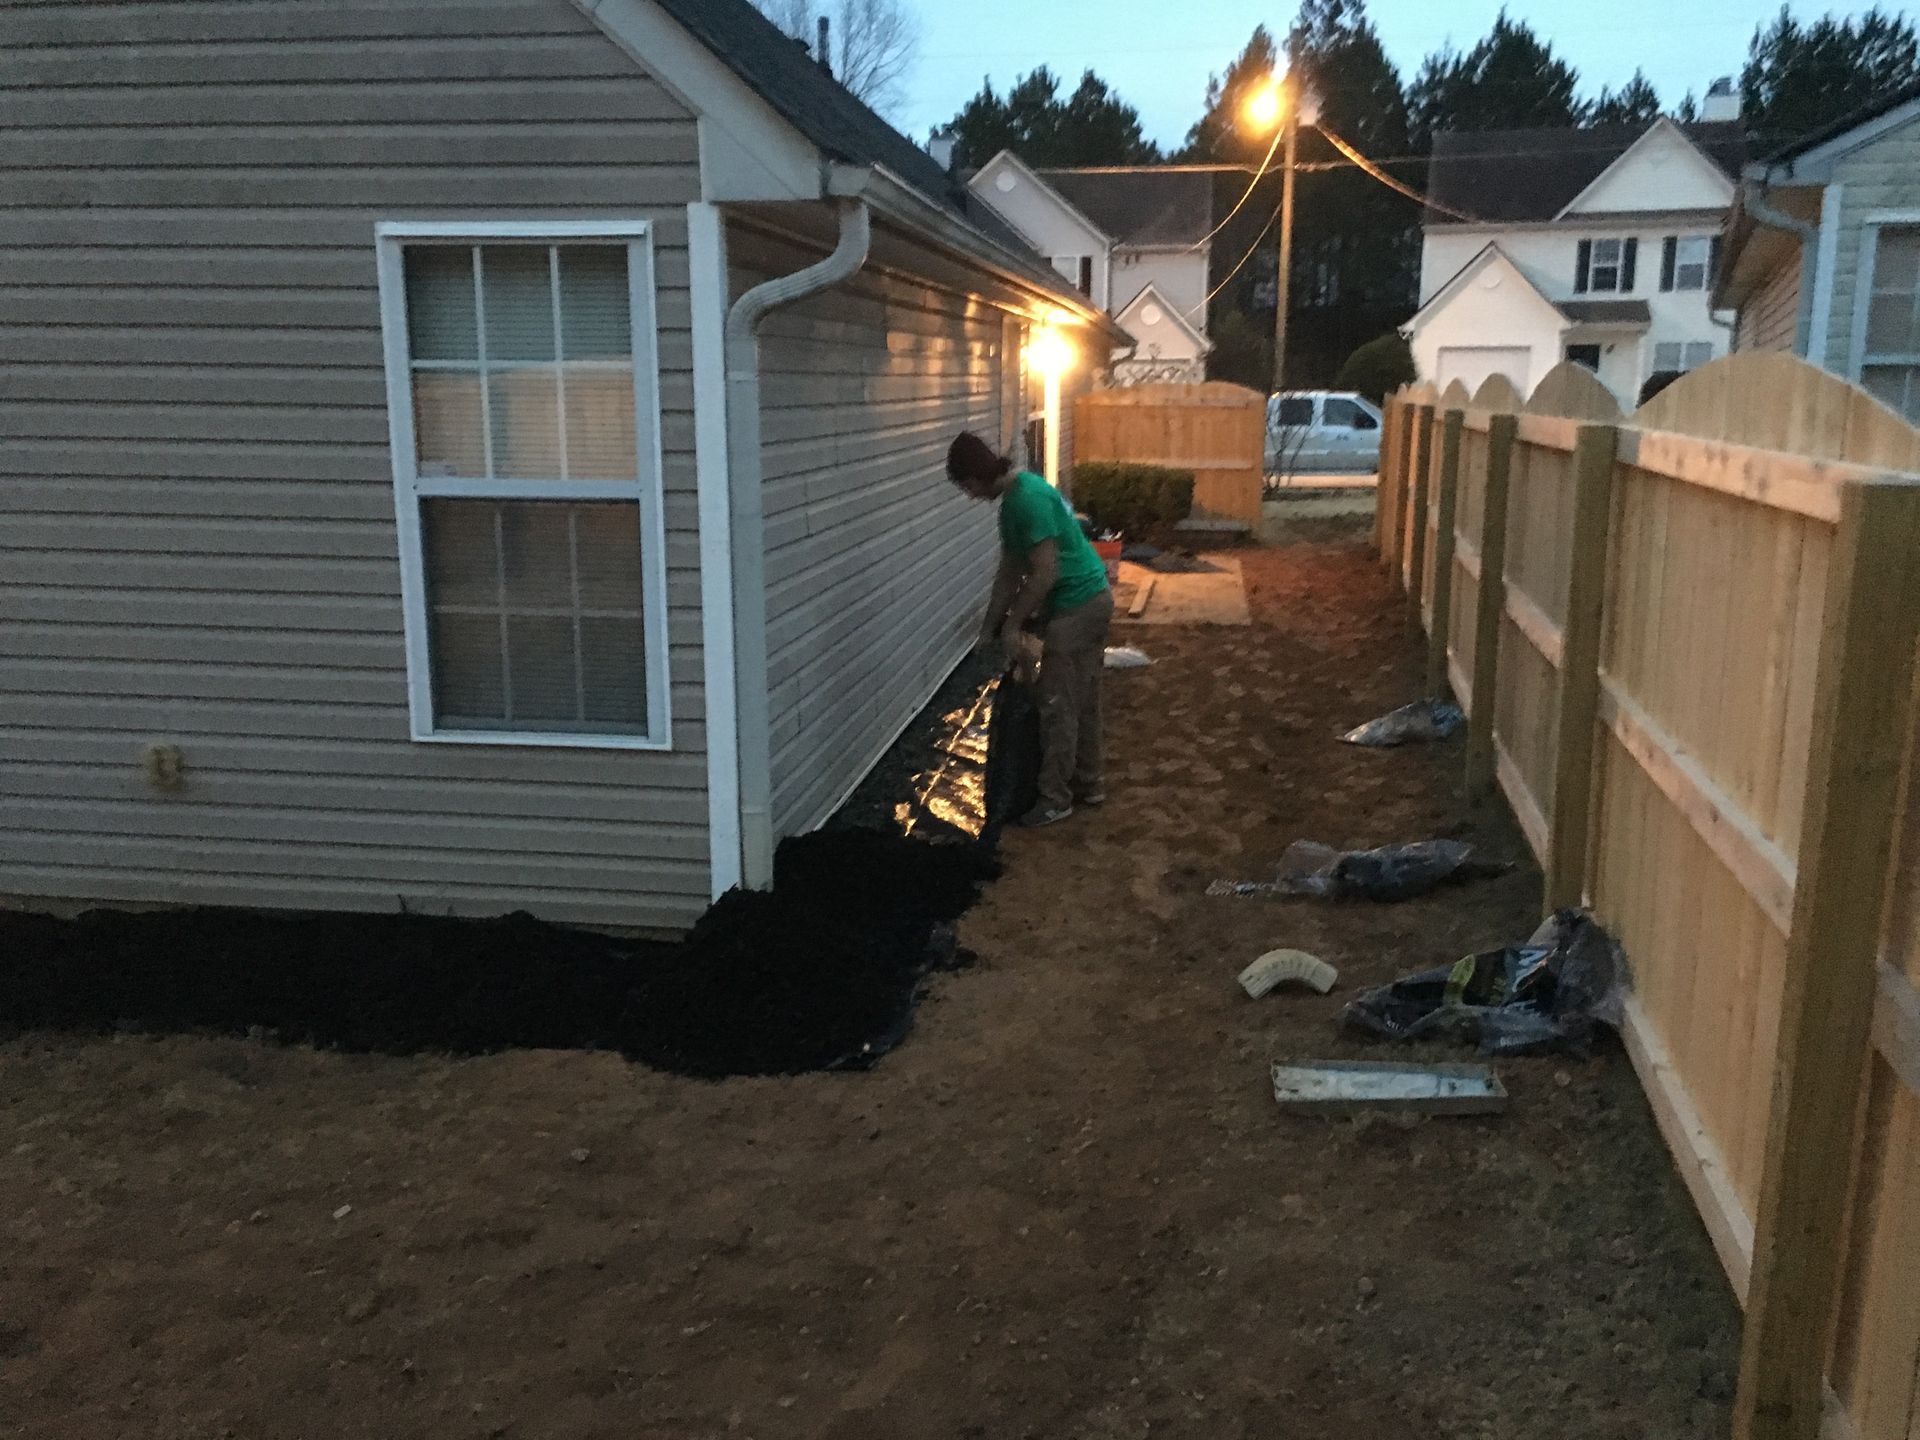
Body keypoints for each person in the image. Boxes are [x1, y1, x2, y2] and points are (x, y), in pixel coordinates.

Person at [945, 430, 1114, 827]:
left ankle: (1056, 798)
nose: (970, 496)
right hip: (1090, 598)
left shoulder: (1027, 500)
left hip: (1079, 605)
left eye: (967, 487)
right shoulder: (1016, 499)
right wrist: (989, 627)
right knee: (1083, 696)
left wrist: (1015, 624)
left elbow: (1044, 573)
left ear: (978, 476)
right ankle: (1091, 783)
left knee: (1057, 705)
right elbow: (1009, 571)